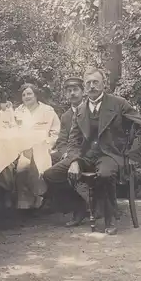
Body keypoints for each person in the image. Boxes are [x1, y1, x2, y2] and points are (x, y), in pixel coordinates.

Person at [42, 67, 141, 235]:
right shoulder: (80, 110)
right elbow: (73, 141)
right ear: (85, 87)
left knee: (105, 174)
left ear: (104, 84)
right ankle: (79, 208)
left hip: (110, 154)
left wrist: (133, 154)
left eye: (95, 82)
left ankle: (110, 218)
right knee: (51, 175)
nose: (92, 86)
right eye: (88, 83)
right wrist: (75, 161)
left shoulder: (118, 103)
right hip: (85, 157)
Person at [43, 77, 89, 217]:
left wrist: (73, 157)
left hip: (86, 155)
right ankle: (62, 202)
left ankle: (80, 206)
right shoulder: (66, 116)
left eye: (75, 90)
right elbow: (62, 140)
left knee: (51, 174)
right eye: (69, 91)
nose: (72, 93)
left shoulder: (91, 111)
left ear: (83, 92)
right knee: (45, 159)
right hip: (69, 153)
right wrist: (64, 154)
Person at [13, 83, 61, 213]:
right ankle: (24, 204)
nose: (26, 97)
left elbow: (56, 131)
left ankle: (39, 200)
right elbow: (13, 130)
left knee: (39, 169)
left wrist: (49, 144)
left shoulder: (47, 110)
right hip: (23, 148)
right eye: (23, 95)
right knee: (22, 170)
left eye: (29, 94)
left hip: (43, 146)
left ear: (36, 95)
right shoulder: (18, 111)